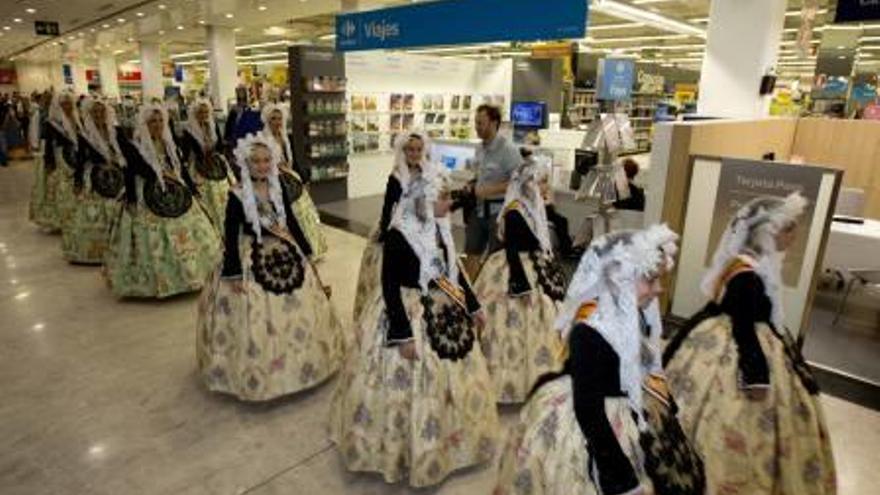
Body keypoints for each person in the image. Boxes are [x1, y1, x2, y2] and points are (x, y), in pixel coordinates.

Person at [495, 225, 705, 495]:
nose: (660, 289)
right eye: (651, 280)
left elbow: (645, 363)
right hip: (598, 420)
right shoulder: (589, 331)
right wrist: (619, 475)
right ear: (620, 277)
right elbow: (589, 411)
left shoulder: (633, 312)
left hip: (631, 402)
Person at [330, 166, 500, 488]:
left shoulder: (439, 227)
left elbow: (453, 271)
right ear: (424, 198)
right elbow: (389, 286)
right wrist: (402, 333)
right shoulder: (399, 233)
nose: (450, 204)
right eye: (445, 197)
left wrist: (474, 305)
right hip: (407, 311)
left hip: (443, 305)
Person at [663, 193, 836, 495]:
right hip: (739, 350)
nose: (794, 235)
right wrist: (757, 373)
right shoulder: (747, 274)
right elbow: (743, 329)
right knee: (734, 417)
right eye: (789, 228)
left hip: (737, 338)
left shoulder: (753, 266)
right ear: (767, 231)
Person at [196, 133, 344, 401]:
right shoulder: (237, 195)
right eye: (256, 161)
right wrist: (232, 271)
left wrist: (306, 250)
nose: (262, 166)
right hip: (250, 255)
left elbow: (291, 222)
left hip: (285, 250)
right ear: (246, 163)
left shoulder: (279, 188)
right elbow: (230, 234)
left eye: (266, 160)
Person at [104, 103, 221, 298]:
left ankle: (191, 274)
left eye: (160, 121)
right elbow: (133, 172)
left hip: (176, 191)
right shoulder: (136, 146)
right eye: (152, 122)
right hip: (147, 195)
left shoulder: (169, 143)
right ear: (144, 124)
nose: (157, 125)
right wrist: (133, 199)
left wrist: (192, 190)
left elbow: (181, 168)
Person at [473, 157, 565, 404]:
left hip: (534, 265)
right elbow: (512, 250)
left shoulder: (533, 206)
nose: (546, 187)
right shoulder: (515, 210)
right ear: (530, 183)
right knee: (511, 327)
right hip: (515, 271)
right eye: (543, 182)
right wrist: (521, 284)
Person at [352, 131, 429, 323]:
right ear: (403, 151)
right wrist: (386, 233)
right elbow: (388, 206)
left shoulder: (427, 173)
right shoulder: (396, 176)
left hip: (421, 226)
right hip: (398, 228)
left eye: (418, 149)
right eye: (410, 149)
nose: (415, 153)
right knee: (389, 274)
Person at [61, 97, 125, 264]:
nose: (98, 114)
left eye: (101, 111)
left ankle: (119, 247)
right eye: (94, 112)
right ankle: (95, 252)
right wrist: (78, 182)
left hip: (118, 177)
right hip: (96, 178)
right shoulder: (86, 135)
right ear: (89, 114)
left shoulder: (116, 131)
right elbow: (81, 160)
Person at [260, 103, 328, 259]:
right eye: (273, 119)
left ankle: (311, 248)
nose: (277, 122)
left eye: (279, 119)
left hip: (291, 179)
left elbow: (294, 159)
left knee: (304, 214)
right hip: (274, 182)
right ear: (267, 121)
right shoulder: (263, 139)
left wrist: (302, 178)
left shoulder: (286, 137)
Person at [463, 104, 522, 279]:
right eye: (476, 123)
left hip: (497, 214)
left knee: (495, 261)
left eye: (481, 123)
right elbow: (480, 176)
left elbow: (519, 182)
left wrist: (490, 189)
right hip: (478, 211)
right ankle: (470, 295)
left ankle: (490, 300)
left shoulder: (508, 150)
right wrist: (472, 184)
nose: (477, 127)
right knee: (470, 254)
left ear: (494, 123)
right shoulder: (479, 149)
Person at [29, 90, 81, 233]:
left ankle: (75, 217)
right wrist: (49, 164)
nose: (67, 107)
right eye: (63, 104)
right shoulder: (52, 123)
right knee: (61, 190)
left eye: (69, 104)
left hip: (75, 159)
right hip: (60, 160)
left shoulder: (77, 119)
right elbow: (49, 146)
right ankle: (60, 220)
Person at [180, 98, 231, 233]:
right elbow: (186, 153)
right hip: (198, 168)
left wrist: (218, 155)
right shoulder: (189, 131)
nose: (203, 115)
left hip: (216, 165)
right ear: (195, 114)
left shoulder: (213, 127)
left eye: (205, 112)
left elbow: (219, 145)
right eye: (200, 113)